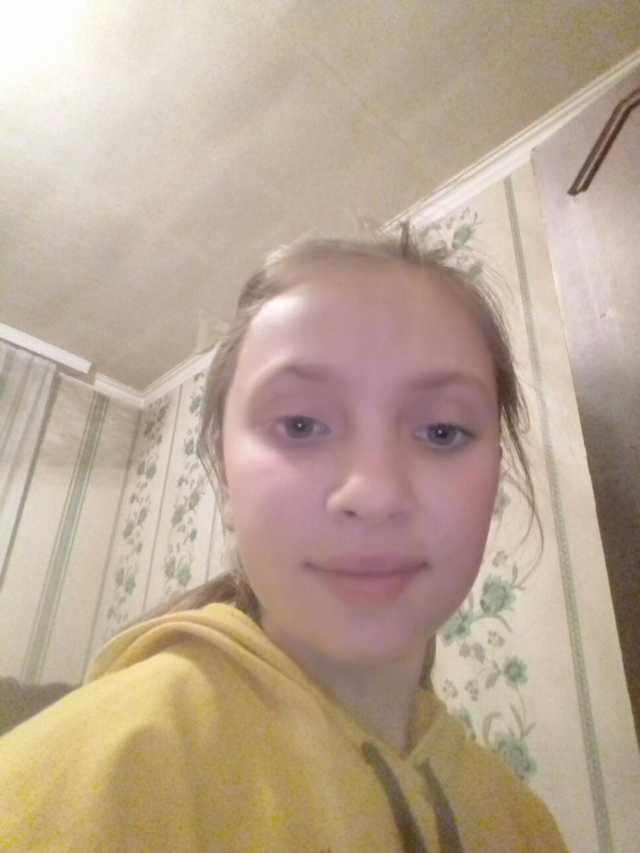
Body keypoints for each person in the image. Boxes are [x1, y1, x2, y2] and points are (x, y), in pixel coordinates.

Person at [0, 232, 568, 851]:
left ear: (496, 471)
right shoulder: (99, 768)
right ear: (226, 475)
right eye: (300, 424)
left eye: (441, 430)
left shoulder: (526, 824)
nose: (375, 493)